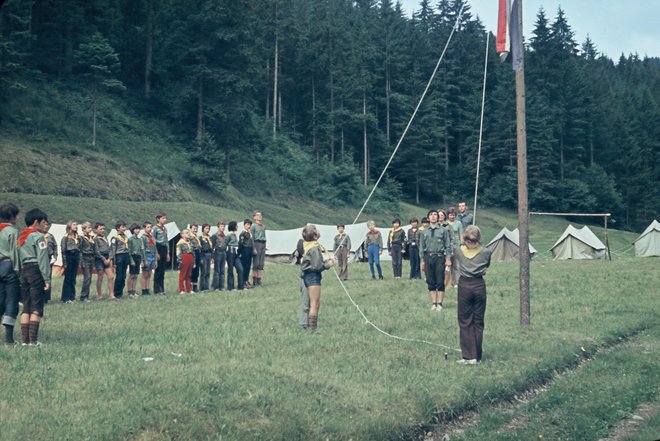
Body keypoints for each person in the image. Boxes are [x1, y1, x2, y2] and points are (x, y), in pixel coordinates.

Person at [455, 225, 491, 365]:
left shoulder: (458, 251)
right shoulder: (486, 252)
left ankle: (468, 356)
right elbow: (487, 265)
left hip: (464, 285)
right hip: (479, 285)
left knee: (465, 321)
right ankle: (477, 356)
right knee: (478, 321)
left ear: (464, 237)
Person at [18, 208, 50, 346]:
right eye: (43, 222)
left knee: (26, 306)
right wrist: (47, 278)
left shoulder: (21, 237)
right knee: (36, 306)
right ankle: (33, 341)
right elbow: (42, 258)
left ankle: (24, 341)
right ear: (36, 222)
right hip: (36, 270)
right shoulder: (38, 237)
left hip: (24, 271)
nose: (45, 225)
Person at [300, 224, 335, 332]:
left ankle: (310, 327)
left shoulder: (308, 245)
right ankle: (312, 329)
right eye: (316, 229)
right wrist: (328, 264)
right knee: (314, 303)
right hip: (313, 276)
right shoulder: (314, 248)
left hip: (307, 275)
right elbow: (317, 266)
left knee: (313, 303)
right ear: (315, 236)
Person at [419, 209, 452, 311]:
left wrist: (448, 259)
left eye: (435, 215)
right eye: (431, 215)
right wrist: (422, 261)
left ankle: (440, 303)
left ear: (438, 217)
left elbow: (447, 246)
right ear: (428, 217)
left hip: (439, 257)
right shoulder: (424, 232)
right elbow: (421, 247)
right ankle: (434, 303)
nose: (433, 216)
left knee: (440, 280)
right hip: (428, 257)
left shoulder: (443, 230)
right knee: (430, 280)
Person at [0, 203, 20, 345]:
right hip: (8, 266)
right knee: (11, 301)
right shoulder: (12, 231)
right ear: (12, 217)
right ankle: (9, 339)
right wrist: (19, 271)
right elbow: (15, 253)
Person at [60, 220, 80, 303]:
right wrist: (64, 262)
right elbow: (63, 250)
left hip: (76, 255)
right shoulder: (65, 237)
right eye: (74, 225)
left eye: (76, 225)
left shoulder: (77, 236)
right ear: (69, 226)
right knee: (68, 278)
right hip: (69, 256)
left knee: (73, 277)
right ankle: (65, 298)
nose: (76, 226)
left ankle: (72, 296)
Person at [94, 222, 115, 300]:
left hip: (107, 258)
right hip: (99, 259)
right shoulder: (95, 239)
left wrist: (109, 258)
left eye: (103, 229)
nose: (102, 230)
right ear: (96, 230)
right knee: (100, 276)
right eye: (100, 229)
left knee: (111, 276)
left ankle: (111, 295)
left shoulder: (105, 237)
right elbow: (96, 251)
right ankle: (99, 295)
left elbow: (109, 249)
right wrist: (103, 259)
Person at [111, 221, 130, 299]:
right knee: (119, 276)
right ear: (118, 228)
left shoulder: (125, 236)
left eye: (125, 227)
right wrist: (114, 261)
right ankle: (116, 293)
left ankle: (121, 292)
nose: (124, 228)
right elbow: (113, 250)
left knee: (123, 276)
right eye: (123, 227)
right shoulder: (115, 237)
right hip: (119, 256)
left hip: (125, 255)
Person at [79, 222, 97, 302]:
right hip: (85, 257)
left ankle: (87, 295)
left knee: (89, 278)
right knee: (87, 278)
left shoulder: (91, 237)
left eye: (90, 227)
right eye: (89, 228)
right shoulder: (81, 238)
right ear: (84, 229)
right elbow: (79, 249)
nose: (90, 229)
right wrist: (81, 261)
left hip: (91, 257)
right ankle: (83, 296)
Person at [153, 213, 170, 294]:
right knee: (158, 270)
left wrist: (168, 253)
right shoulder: (155, 228)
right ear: (158, 219)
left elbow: (167, 241)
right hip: (158, 248)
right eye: (163, 218)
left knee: (163, 270)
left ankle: (162, 288)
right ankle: (157, 289)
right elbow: (153, 241)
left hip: (164, 248)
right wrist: (156, 252)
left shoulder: (165, 228)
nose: (165, 220)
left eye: (165, 218)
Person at [446, 207, 463, 289]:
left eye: (453, 215)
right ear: (448, 215)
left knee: (456, 265)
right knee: (448, 265)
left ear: (455, 215)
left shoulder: (458, 223)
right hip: (448, 246)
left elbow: (461, 234)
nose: (452, 217)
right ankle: (449, 282)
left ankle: (456, 282)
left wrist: (461, 245)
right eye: (450, 215)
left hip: (456, 246)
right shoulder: (445, 223)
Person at [127, 223, 145, 298]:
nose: (137, 230)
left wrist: (142, 260)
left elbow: (141, 250)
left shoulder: (139, 239)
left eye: (138, 229)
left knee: (136, 275)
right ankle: (130, 291)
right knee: (131, 275)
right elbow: (129, 250)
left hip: (138, 257)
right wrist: (131, 260)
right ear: (132, 230)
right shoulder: (130, 239)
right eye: (136, 229)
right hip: (133, 256)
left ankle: (134, 291)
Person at [140, 221, 158, 296]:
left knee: (150, 273)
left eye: (150, 227)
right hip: (146, 255)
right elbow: (142, 249)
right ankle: (144, 290)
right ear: (144, 228)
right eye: (148, 227)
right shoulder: (143, 237)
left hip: (152, 256)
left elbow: (154, 248)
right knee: (145, 274)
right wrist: (143, 260)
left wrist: (155, 259)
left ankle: (147, 289)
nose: (150, 229)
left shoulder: (152, 237)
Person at [226, 221, 245, 291]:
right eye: (236, 226)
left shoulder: (234, 235)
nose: (237, 227)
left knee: (240, 269)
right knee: (230, 269)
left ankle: (241, 285)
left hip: (236, 253)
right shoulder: (229, 235)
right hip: (230, 252)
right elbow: (226, 243)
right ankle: (231, 287)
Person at [250, 210, 266, 287]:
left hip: (263, 243)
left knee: (261, 263)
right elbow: (252, 237)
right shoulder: (253, 226)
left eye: (260, 215)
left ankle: (259, 279)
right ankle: (254, 280)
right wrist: (253, 248)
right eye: (258, 215)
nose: (260, 216)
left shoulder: (263, 226)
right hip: (257, 243)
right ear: (254, 217)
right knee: (256, 263)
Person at [175, 229, 195, 294]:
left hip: (190, 258)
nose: (188, 234)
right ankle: (182, 289)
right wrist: (180, 261)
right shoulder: (180, 243)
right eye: (186, 233)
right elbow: (178, 253)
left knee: (189, 275)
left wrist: (194, 261)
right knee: (183, 275)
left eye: (188, 233)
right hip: (184, 258)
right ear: (182, 235)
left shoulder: (190, 242)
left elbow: (193, 252)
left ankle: (189, 289)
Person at [42, 222, 57, 304]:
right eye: (44, 225)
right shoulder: (38, 235)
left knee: (48, 278)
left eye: (47, 225)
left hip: (48, 258)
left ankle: (47, 298)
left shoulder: (50, 236)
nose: (45, 227)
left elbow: (55, 246)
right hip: (40, 259)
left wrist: (55, 256)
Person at [211, 221, 227, 291]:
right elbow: (212, 246)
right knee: (217, 270)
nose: (222, 228)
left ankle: (222, 286)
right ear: (218, 227)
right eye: (221, 226)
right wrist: (212, 256)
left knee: (222, 270)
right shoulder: (215, 235)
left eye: (223, 226)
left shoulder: (225, 236)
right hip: (217, 252)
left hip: (223, 252)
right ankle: (216, 286)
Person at [238, 219, 255, 289]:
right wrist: (240, 252)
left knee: (248, 266)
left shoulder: (249, 233)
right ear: (244, 225)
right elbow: (241, 244)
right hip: (245, 250)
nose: (249, 226)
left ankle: (246, 280)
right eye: (247, 224)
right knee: (245, 266)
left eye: (249, 225)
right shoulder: (243, 233)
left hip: (249, 250)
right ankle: (243, 281)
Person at [198, 224, 213, 291]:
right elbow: (199, 248)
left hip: (209, 254)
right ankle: (202, 287)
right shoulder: (200, 238)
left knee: (208, 271)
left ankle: (207, 287)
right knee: (203, 272)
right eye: (206, 228)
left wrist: (212, 257)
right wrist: (200, 258)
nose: (207, 230)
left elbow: (211, 248)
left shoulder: (209, 237)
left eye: (208, 228)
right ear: (203, 229)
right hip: (203, 254)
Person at [188, 224, 202, 292]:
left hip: (198, 252)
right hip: (193, 253)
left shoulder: (197, 236)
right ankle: (190, 286)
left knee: (196, 271)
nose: (195, 230)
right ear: (190, 229)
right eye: (194, 228)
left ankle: (195, 286)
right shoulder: (189, 236)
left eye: (196, 229)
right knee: (192, 270)